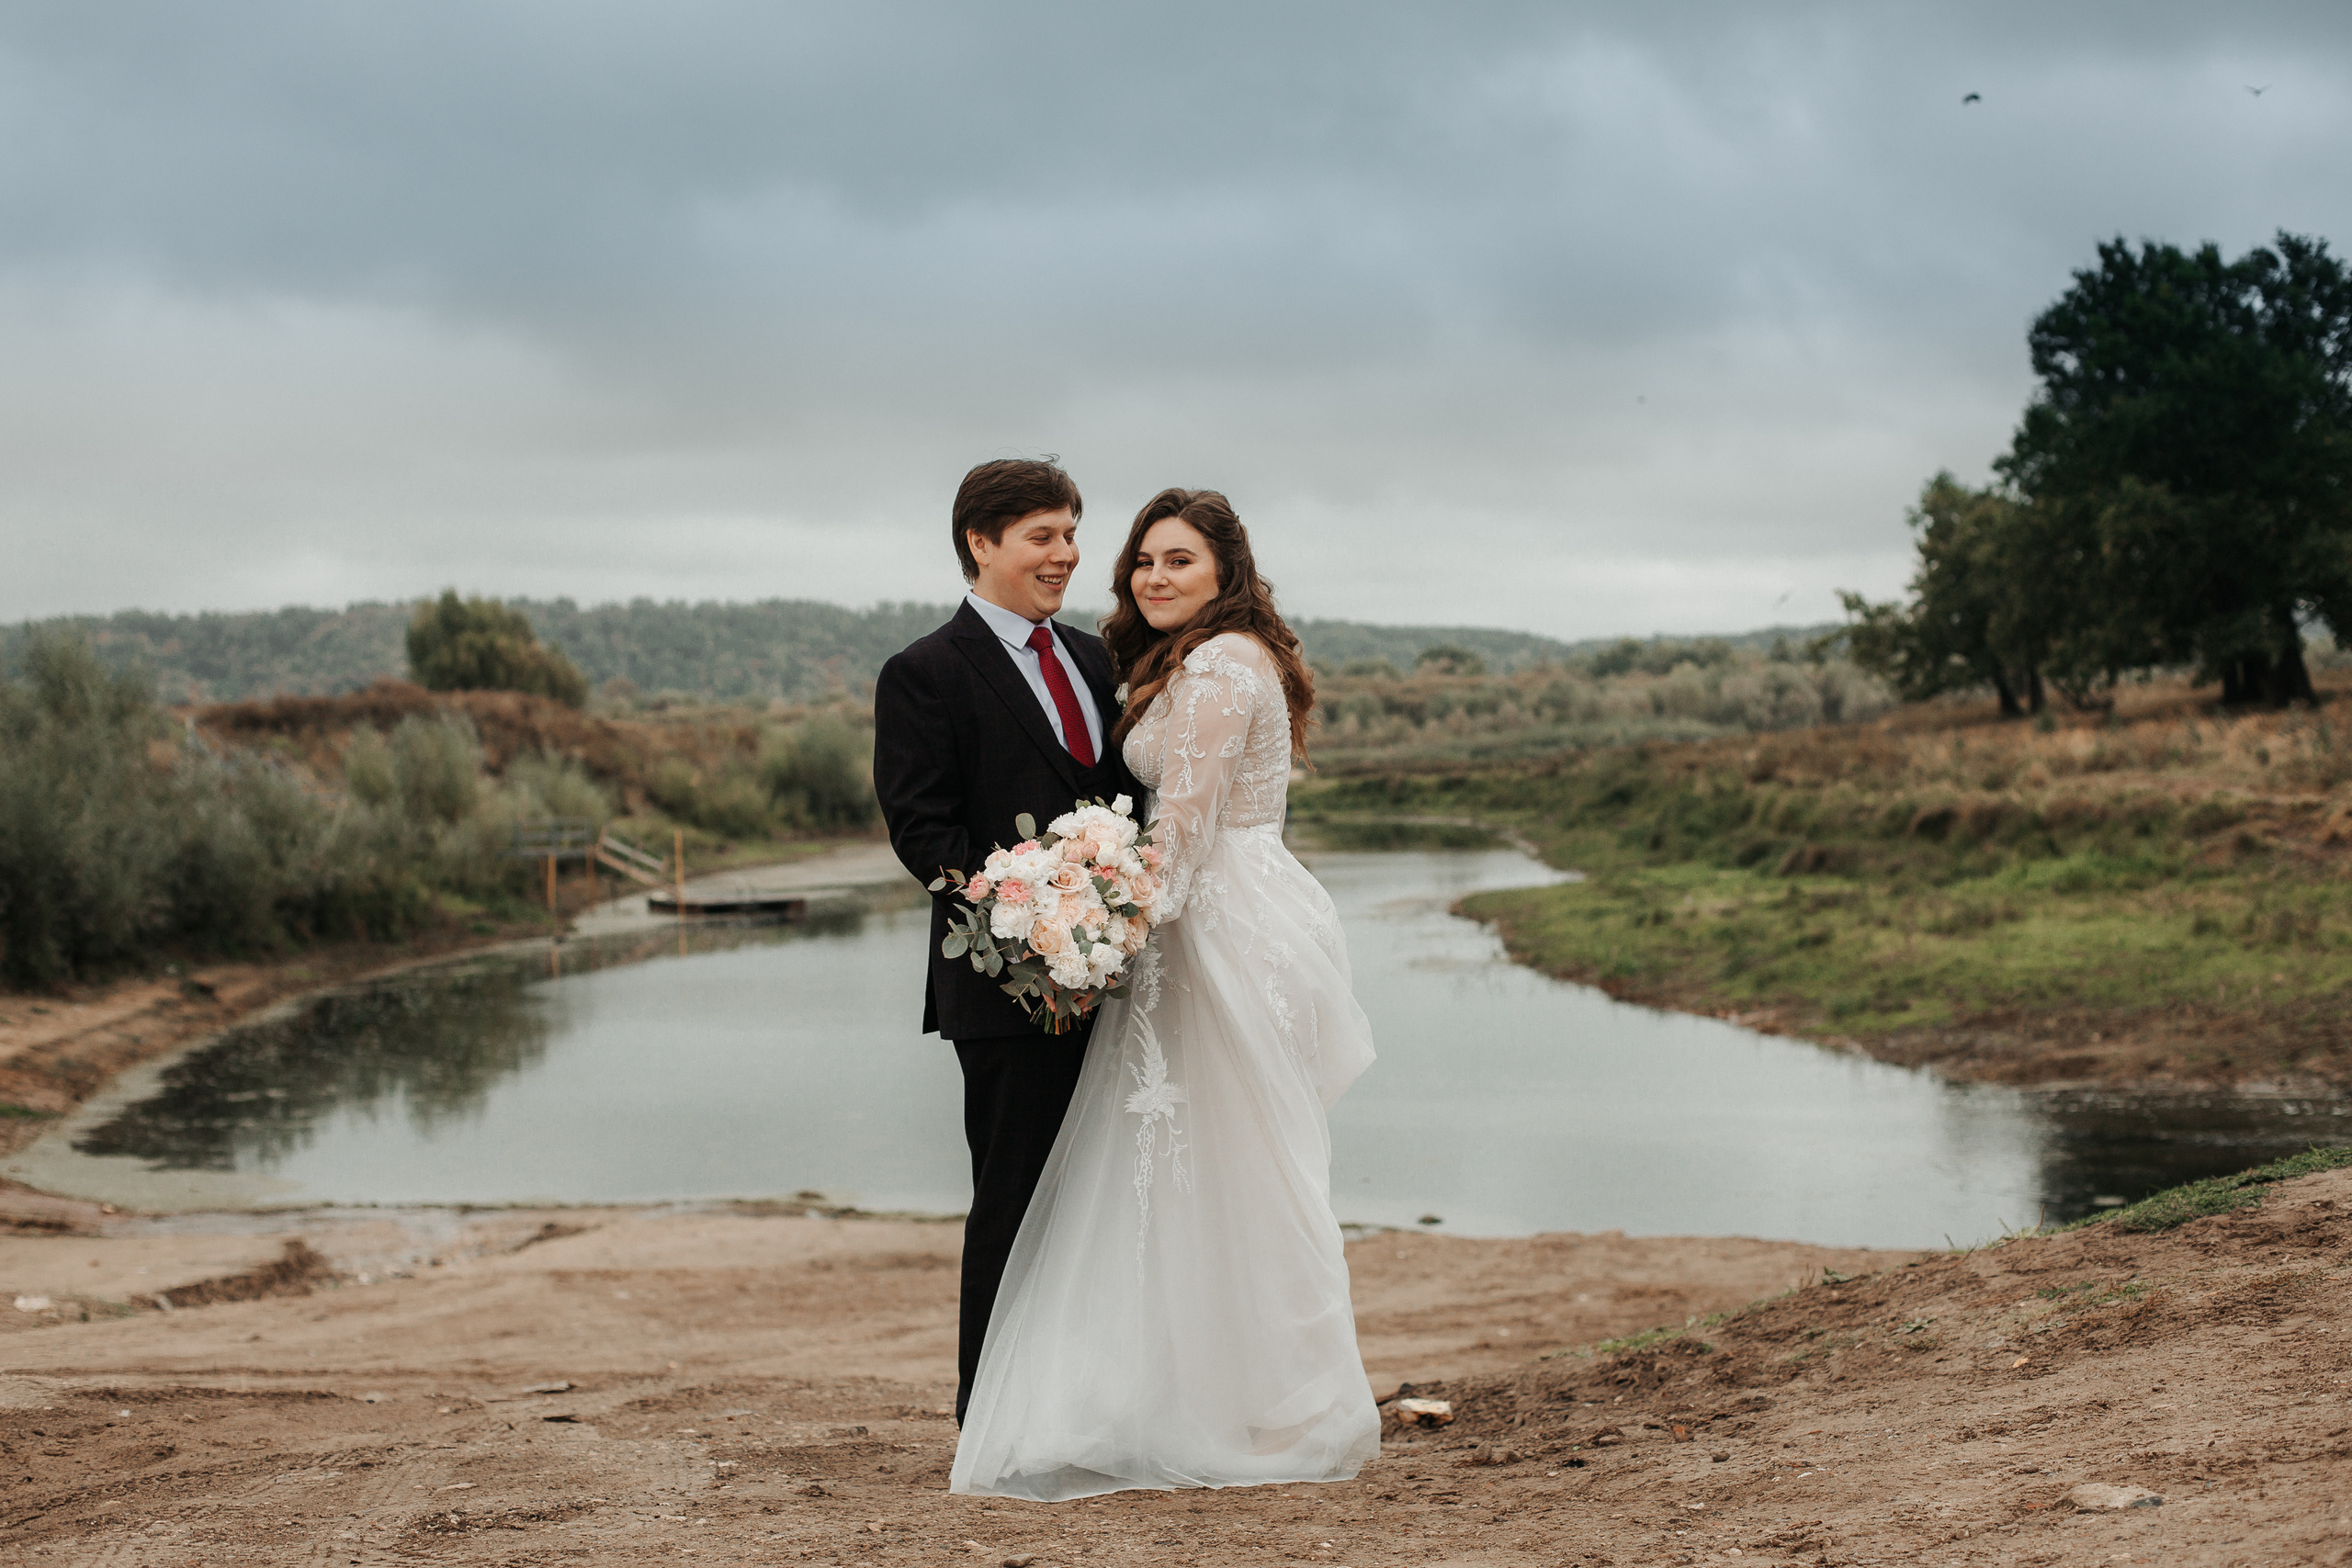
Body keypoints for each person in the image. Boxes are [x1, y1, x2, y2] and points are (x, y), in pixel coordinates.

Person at [949, 487, 1380, 1500]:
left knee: (1236, 1158)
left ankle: (1264, 1405)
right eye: (1143, 560)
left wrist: (1102, 929)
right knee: (1209, 1160)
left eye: (1179, 560)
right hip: (1198, 913)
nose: (1154, 577)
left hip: (1214, 922)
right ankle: (1205, 1395)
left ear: (1225, 570)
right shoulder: (1190, 658)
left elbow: (1181, 824)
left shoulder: (1226, 664)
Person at [872, 457, 1143, 1427]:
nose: (1066, 554)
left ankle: (1095, 1404)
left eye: (1072, 533)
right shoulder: (924, 673)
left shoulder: (1098, 660)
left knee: (1112, 1204)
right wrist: (1027, 911)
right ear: (980, 544)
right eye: (1043, 536)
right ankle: (989, 1419)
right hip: (1003, 989)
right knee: (1017, 1202)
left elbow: (1128, 804)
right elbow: (923, 831)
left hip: (1117, 981)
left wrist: (1113, 902)